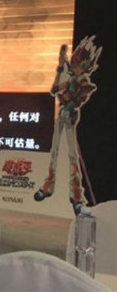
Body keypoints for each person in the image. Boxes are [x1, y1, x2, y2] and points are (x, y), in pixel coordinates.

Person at [33, 36, 102, 215]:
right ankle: (48, 186)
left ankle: (76, 195)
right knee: (54, 151)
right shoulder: (71, 79)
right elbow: (54, 89)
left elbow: (80, 98)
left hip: (70, 116)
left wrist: (70, 105)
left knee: (72, 155)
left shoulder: (83, 82)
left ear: (84, 66)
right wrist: (59, 67)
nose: (74, 67)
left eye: (77, 65)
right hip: (62, 115)